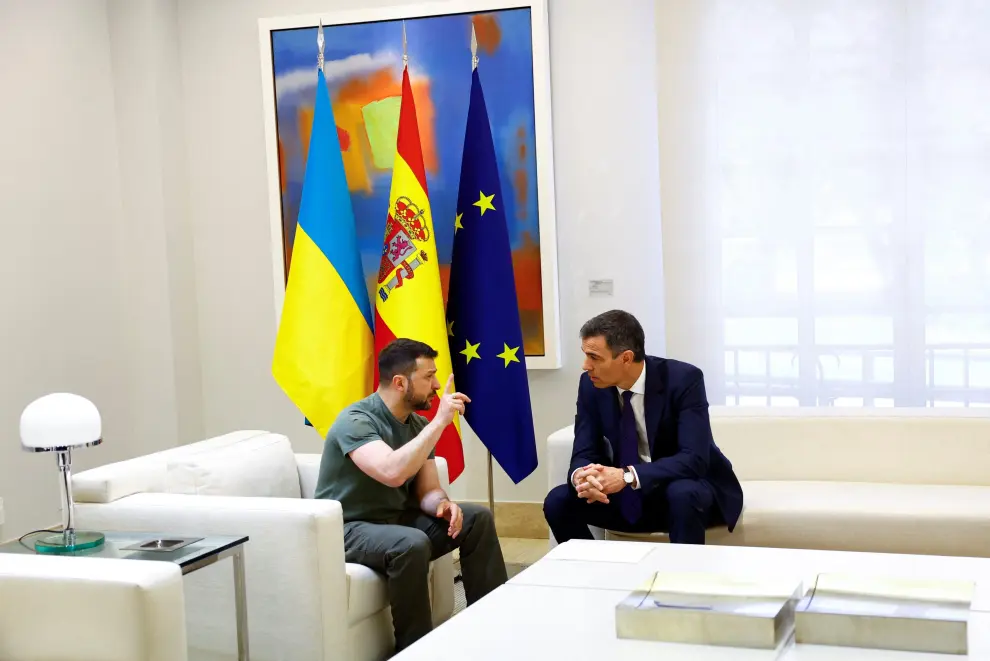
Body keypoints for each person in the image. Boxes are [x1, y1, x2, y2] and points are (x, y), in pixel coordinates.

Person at [315, 338, 507, 651]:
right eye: (428, 377)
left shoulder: (417, 424)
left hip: (395, 520)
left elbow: (427, 491)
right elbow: (391, 472)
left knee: (476, 519)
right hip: (349, 528)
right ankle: (414, 649)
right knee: (410, 544)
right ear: (401, 382)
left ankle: (490, 630)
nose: (435, 385)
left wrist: (443, 505)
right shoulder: (356, 421)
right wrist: (441, 422)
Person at [544, 310, 743, 545]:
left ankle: (681, 579)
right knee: (557, 501)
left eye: (594, 357)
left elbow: (694, 459)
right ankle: (599, 573)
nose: (585, 366)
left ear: (626, 358)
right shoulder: (590, 385)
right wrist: (583, 477)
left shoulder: (683, 379)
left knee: (682, 494)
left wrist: (627, 476)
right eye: (585, 355)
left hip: (683, 491)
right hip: (629, 496)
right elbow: (585, 448)